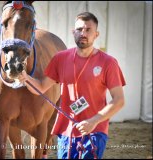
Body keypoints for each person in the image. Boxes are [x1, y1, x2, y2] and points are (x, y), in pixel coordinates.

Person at [19, 12, 126, 159]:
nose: (83, 33)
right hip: (65, 132)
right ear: (73, 32)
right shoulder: (60, 58)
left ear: (96, 34)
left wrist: (94, 121)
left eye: (88, 30)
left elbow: (119, 100)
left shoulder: (108, 62)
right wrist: (25, 78)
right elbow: (42, 87)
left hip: (94, 131)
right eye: (80, 29)